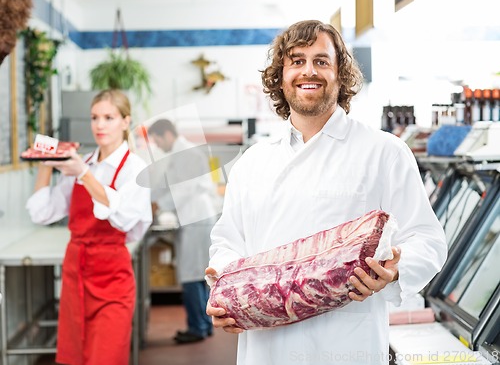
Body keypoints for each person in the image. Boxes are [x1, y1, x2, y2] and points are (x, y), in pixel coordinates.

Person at [206, 20, 448, 365]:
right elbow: (228, 242)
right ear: (280, 75)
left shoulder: (384, 151)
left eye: (321, 61)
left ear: (340, 74)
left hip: (347, 345)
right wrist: (224, 294)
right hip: (267, 349)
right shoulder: (253, 162)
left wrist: (394, 270)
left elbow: (427, 238)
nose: (309, 71)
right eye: (297, 60)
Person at [26, 89, 152, 365]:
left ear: (125, 121)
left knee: (105, 357)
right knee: (74, 358)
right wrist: (47, 163)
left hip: (112, 278)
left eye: (109, 117)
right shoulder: (81, 162)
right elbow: (43, 212)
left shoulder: (134, 168)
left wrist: (84, 175)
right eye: (95, 117)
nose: (100, 125)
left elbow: (123, 216)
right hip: (76, 274)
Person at [148, 119, 216, 344]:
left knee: (191, 274)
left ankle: (198, 327)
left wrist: (157, 205)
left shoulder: (185, 154)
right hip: (193, 216)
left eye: (157, 139)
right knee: (197, 273)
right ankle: (204, 325)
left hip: (196, 216)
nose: (158, 145)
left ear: (166, 133)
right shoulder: (180, 154)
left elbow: (183, 190)